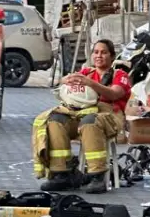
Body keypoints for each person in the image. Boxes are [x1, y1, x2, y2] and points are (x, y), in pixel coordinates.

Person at [34, 39, 131, 194]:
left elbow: (114, 93)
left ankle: (97, 176)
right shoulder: (86, 72)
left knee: (90, 122)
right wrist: (67, 80)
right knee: (55, 120)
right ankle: (61, 173)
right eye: (96, 52)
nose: (99, 56)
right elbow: (62, 80)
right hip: (79, 114)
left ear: (112, 56)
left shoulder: (120, 75)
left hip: (109, 118)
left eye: (104, 52)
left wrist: (90, 84)